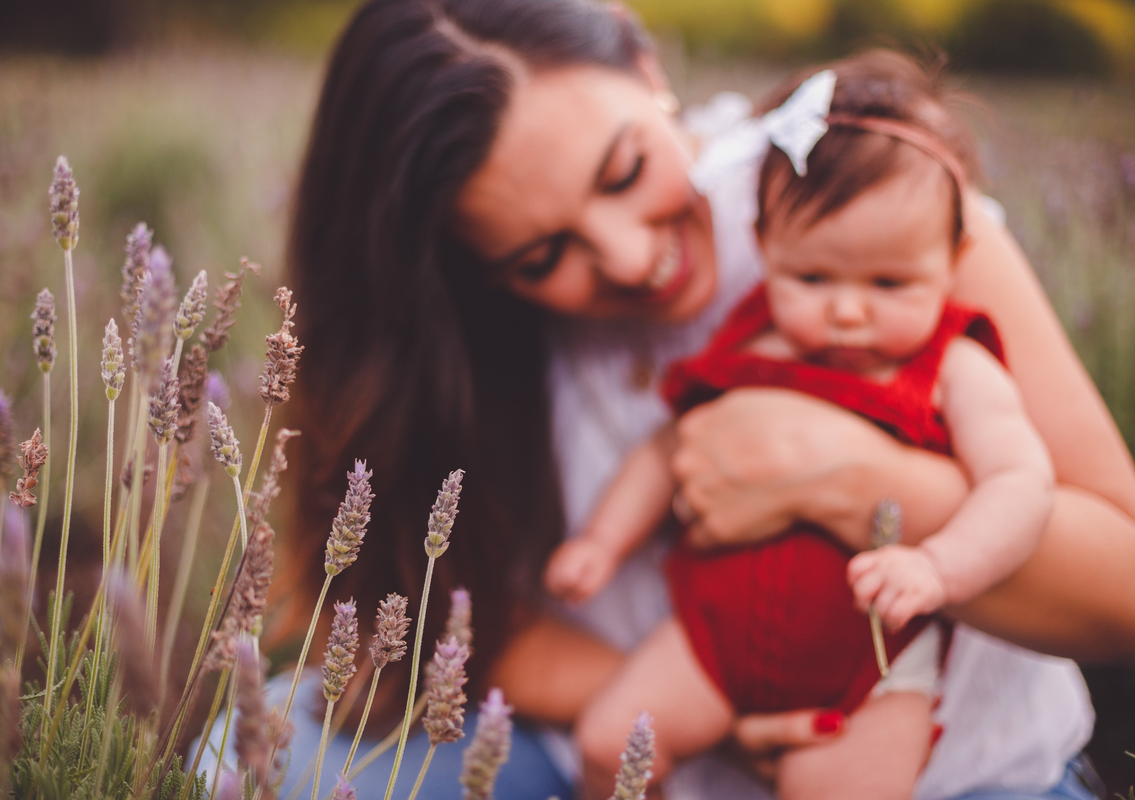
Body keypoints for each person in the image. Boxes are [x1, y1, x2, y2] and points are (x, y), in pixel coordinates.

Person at [261, 0, 1135, 797]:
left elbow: (1121, 588)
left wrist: (840, 478)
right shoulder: (472, 338)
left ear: (647, 67)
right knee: (256, 749)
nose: (630, 258)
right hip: (636, 745)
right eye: (541, 257)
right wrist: (697, 702)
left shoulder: (863, 198)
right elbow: (438, 613)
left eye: (624, 170)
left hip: (949, 774)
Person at [544, 58, 1056, 800]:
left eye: (889, 283)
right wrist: (603, 541)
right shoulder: (755, 340)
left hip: (869, 661)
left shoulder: (954, 363)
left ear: (954, 259)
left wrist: (940, 567)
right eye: (812, 279)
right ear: (766, 248)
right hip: (713, 635)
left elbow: (1024, 483)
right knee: (607, 745)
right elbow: (670, 447)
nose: (848, 311)